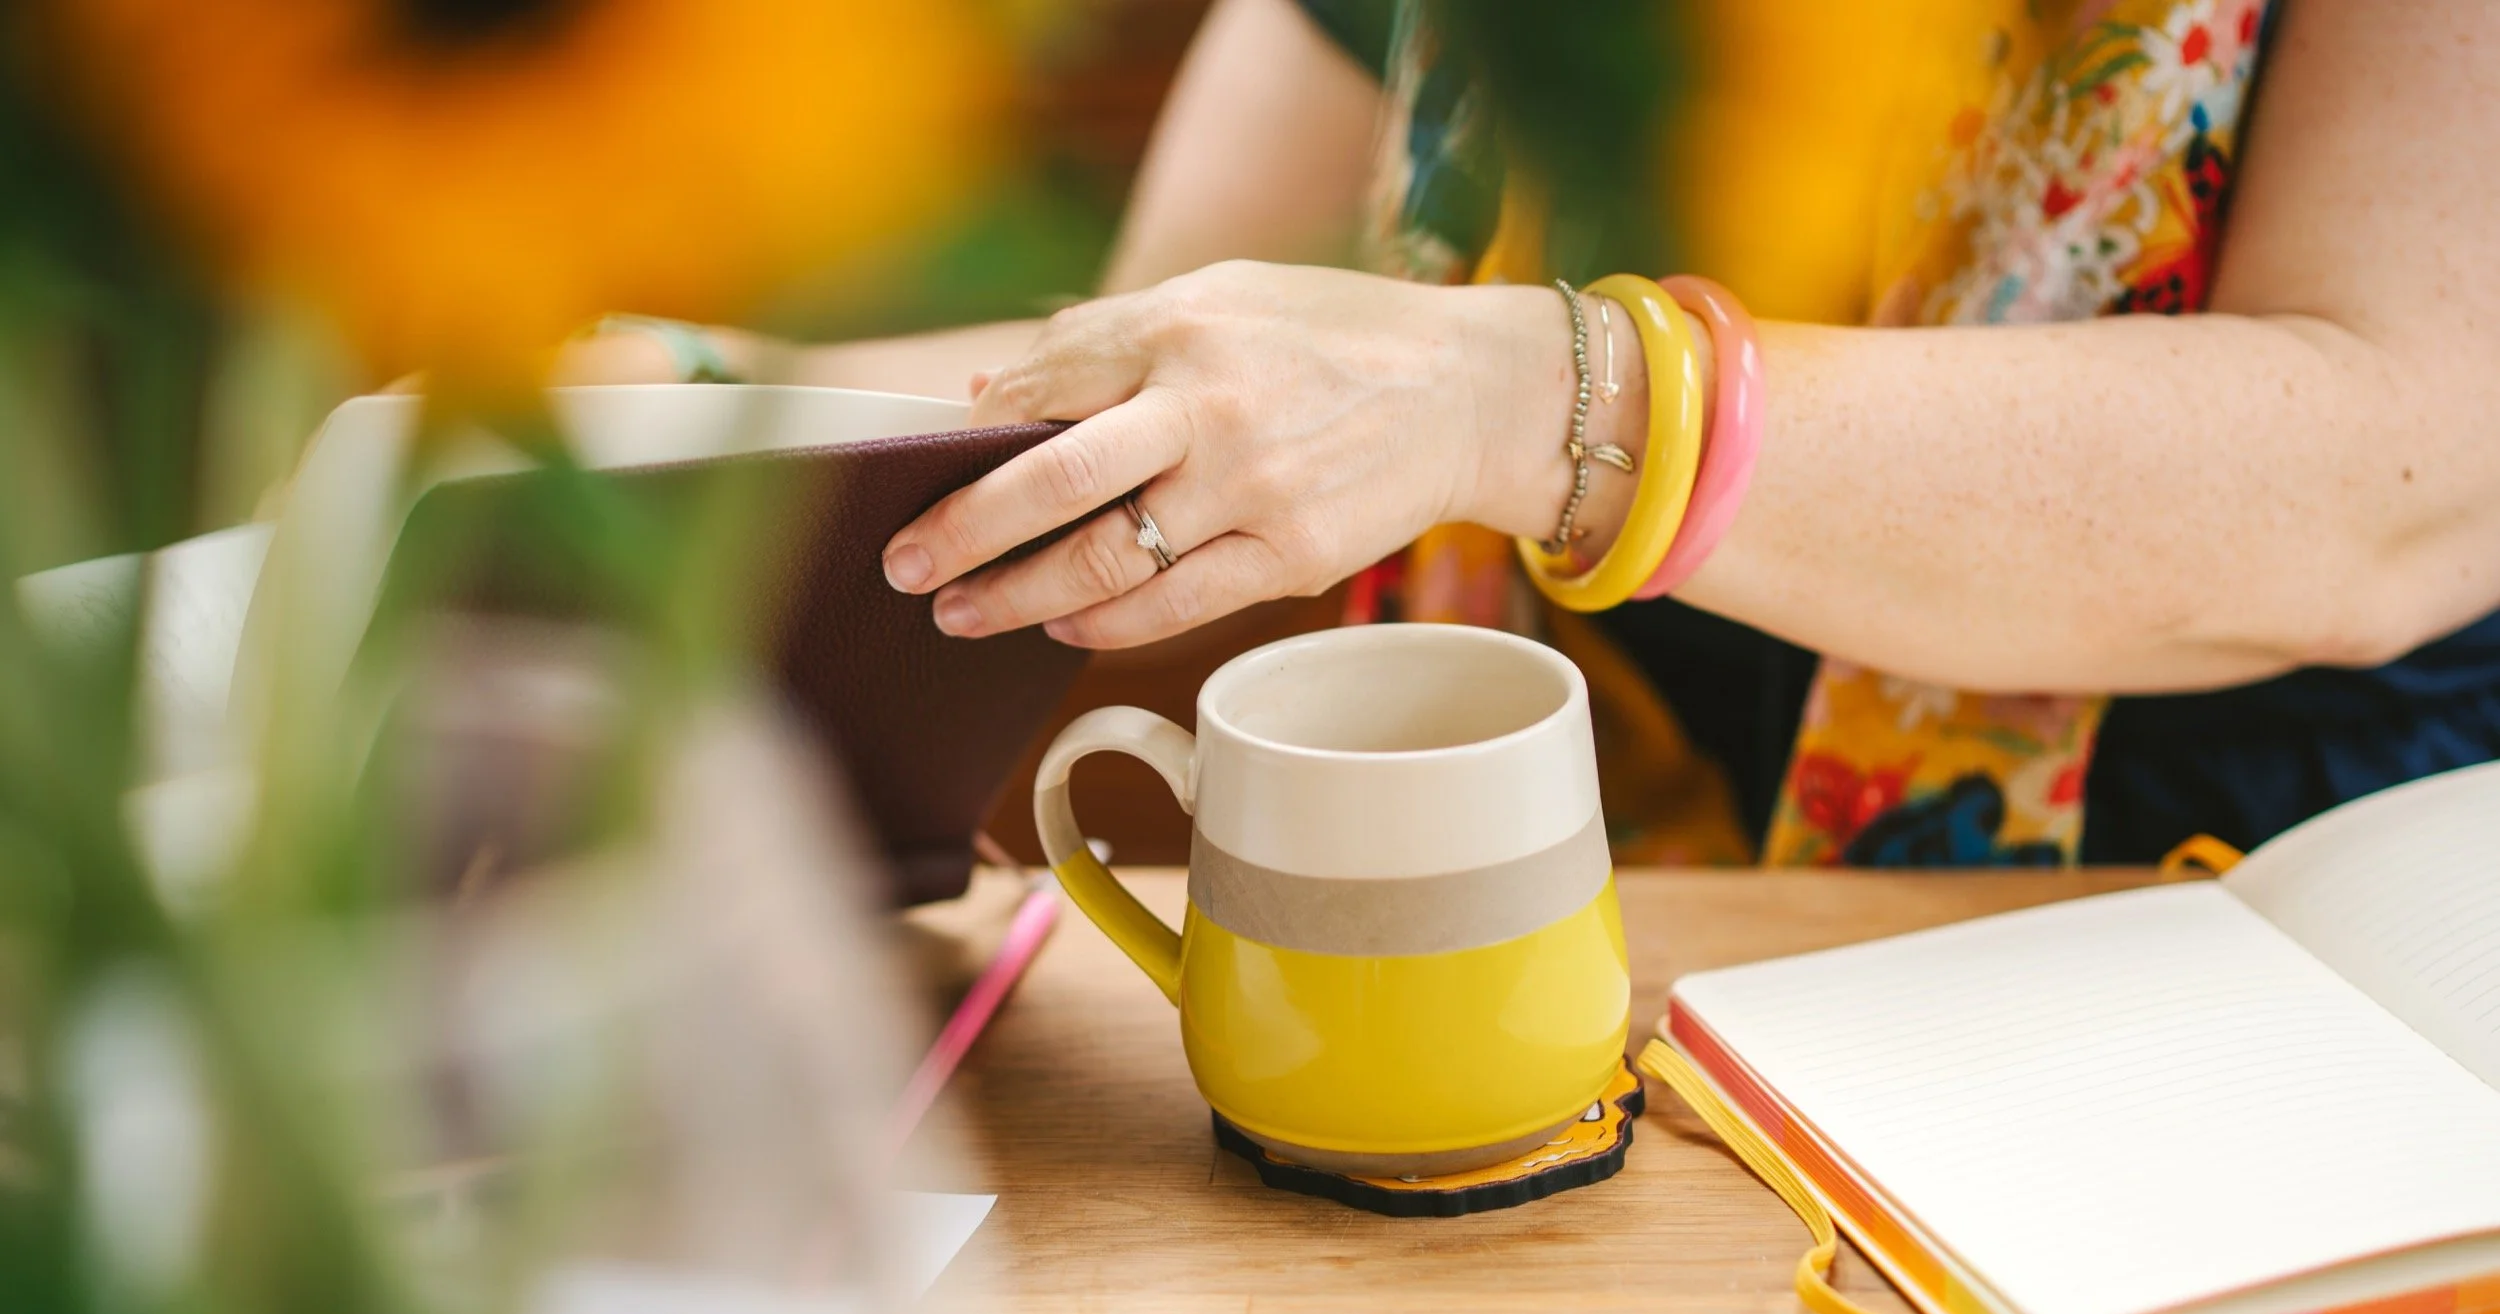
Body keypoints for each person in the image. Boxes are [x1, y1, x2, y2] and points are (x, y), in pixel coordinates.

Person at [570, 0, 2500, 865]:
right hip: (1593, 979)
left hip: (2217, 1008)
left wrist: (1520, 395)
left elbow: (2387, 475)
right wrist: (678, 422)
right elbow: (1188, 366)